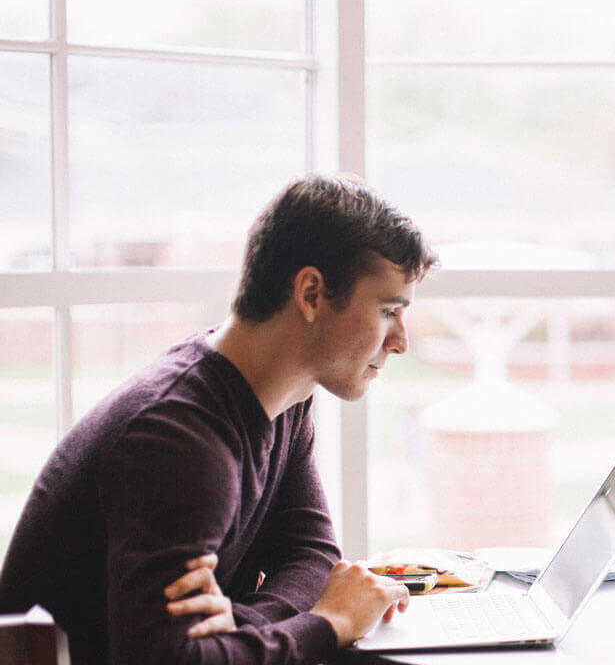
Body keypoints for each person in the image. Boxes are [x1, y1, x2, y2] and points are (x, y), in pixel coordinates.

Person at [0, 173, 439, 664]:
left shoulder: (285, 399)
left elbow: (312, 555)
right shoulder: (177, 437)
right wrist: (329, 622)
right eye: (388, 310)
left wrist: (240, 626)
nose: (401, 340)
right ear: (312, 294)